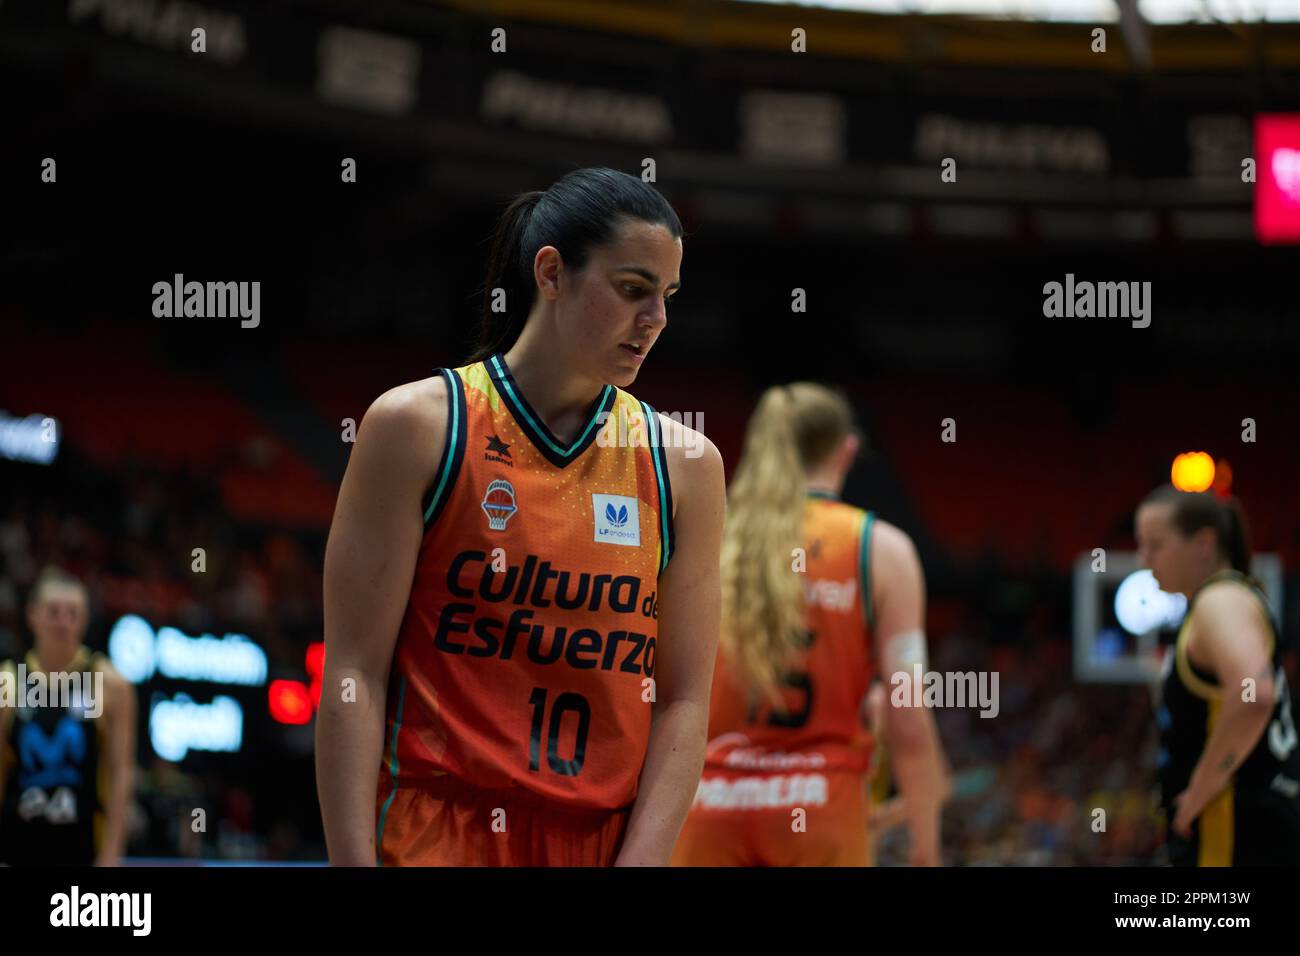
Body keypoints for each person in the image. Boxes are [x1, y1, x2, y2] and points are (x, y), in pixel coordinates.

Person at [317, 167, 726, 866]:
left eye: (667, 296)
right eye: (633, 289)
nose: (655, 319)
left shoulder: (685, 465)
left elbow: (684, 700)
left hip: (597, 842)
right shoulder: (417, 427)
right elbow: (354, 669)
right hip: (432, 832)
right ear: (551, 272)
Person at [671, 383, 947, 866]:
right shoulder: (880, 550)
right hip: (821, 813)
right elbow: (908, 715)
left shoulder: (707, 534)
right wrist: (926, 848)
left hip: (707, 812)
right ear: (848, 450)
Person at [1137, 485, 1300, 865]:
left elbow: (1255, 694)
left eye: (1155, 545)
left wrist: (1199, 790)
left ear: (1203, 542)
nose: (1145, 560)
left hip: (1234, 826)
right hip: (1256, 823)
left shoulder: (1220, 600)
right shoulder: (1224, 599)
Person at [0, 566, 136, 866]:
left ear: (85, 620)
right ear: (32, 615)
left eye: (72, 613)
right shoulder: (7, 680)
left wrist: (112, 854)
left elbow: (121, 773)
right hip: (13, 850)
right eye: (53, 611)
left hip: (83, 852)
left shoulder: (110, 683)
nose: (63, 621)